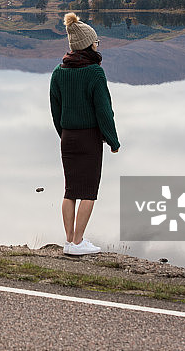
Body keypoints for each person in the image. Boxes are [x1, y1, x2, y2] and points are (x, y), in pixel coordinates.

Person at [50, 13, 120, 256]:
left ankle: (69, 240)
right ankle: (78, 243)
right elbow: (104, 110)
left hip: (68, 137)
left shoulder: (59, 72)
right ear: (87, 44)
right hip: (89, 138)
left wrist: (64, 134)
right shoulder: (94, 73)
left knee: (70, 190)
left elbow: (55, 108)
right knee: (88, 191)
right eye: (95, 42)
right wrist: (112, 140)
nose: (96, 45)